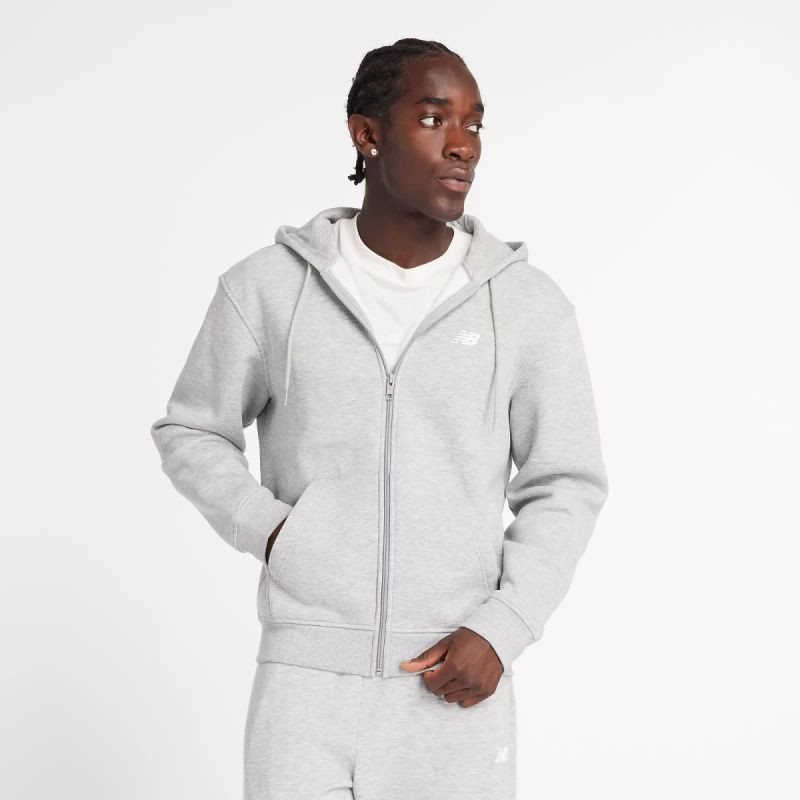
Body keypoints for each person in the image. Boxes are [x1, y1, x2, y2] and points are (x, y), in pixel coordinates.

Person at [150, 37, 609, 800]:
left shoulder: (526, 307)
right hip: (305, 686)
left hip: (453, 681)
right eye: (433, 119)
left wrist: (505, 625)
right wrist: (277, 532)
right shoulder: (267, 289)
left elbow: (567, 481)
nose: (463, 144)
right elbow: (192, 430)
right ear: (366, 134)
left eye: (474, 124)